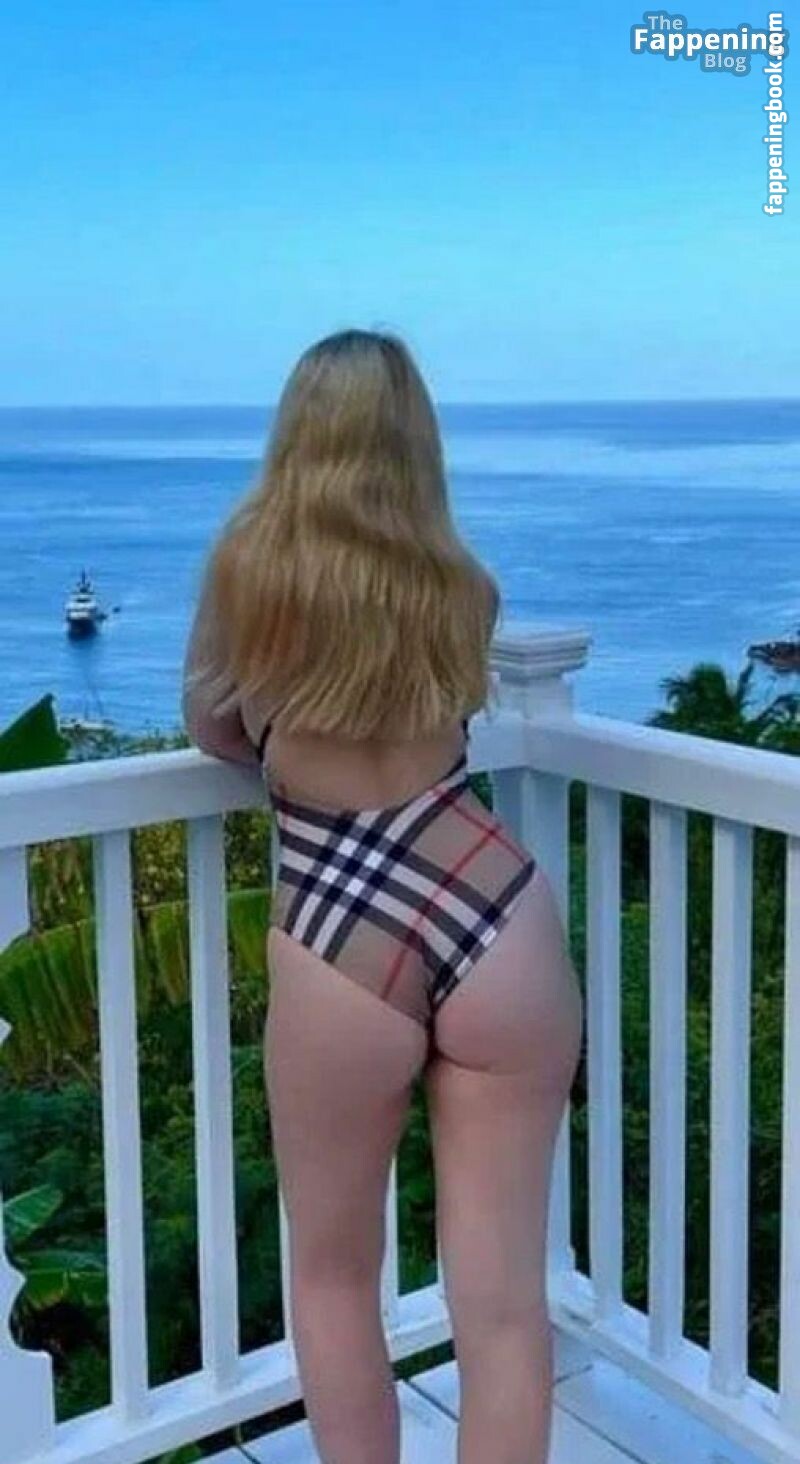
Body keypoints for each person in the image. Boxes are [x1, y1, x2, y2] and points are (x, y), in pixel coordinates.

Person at [182, 328, 584, 1464]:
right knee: (501, 1303)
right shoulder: (461, 583)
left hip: (339, 915)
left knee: (333, 1277)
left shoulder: (247, 571)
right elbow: (452, 715)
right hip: (489, 904)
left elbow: (210, 724)